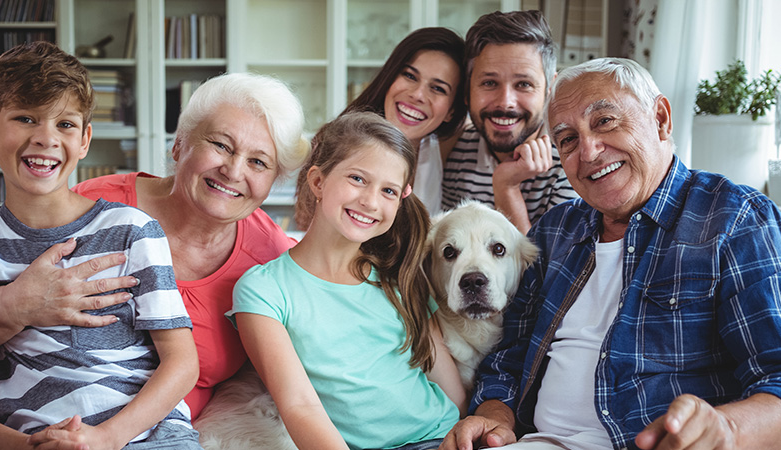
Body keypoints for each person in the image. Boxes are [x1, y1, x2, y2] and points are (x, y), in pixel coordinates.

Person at [440, 57, 781, 450]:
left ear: (661, 118)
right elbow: (509, 356)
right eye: (568, 139)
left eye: (605, 121)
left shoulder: (736, 219)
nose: (590, 151)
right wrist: (493, 417)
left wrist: (728, 430)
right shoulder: (557, 229)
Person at [0, 72, 309, 448]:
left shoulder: (270, 259)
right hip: (10, 416)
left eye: (259, 162)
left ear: (274, 179)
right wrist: (13, 304)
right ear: (179, 144)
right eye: (220, 145)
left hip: (146, 430)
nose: (233, 170)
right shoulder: (94, 210)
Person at [0, 41, 202, 449]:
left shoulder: (133, 229)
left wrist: (105, 438)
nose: (46, 138)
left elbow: (182, 363)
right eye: (25, 118)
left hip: (141, 433)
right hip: (25, 435)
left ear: (85, 139)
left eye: (65, 124)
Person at [230, 112, 464, 450]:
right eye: (357, 178)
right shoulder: (264, 290)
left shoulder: (398, 279)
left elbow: (452, 393)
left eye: (388, 190)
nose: (370, 201)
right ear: (318, 182)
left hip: (443, 436)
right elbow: (299, 406)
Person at [441, 10, 577, 234]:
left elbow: (548, 269)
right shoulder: (457, 151)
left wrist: (507, 188)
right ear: (467, 91)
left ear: (550, 90)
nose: (505, 103)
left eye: (523, 84)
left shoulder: (572, 161)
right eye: (489, 83)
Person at [337, 26, 467, 216]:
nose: (417, 95)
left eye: (438, 88)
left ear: (451, 111)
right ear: (389, 77)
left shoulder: (443, 146)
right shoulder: (341, 144)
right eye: (409, 76)